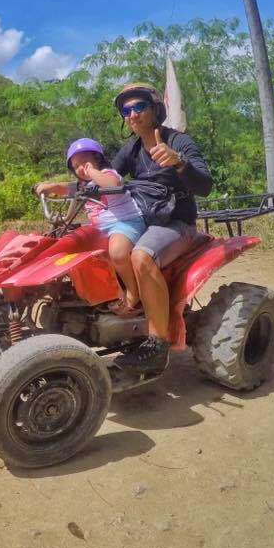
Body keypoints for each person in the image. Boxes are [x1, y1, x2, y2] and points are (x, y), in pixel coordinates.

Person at [109, 82, 212, 374]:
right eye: (126, 110)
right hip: (143, 219)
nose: (132, 114)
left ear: (155, 109)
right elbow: (108, 177)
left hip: (176, 223)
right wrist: (70, 183)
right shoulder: (130, 148)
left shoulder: (178, 142)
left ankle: (157, 344)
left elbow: (204, 185)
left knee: (142, 256)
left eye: (139, 106)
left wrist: (179, 163)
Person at [33, 138, 147, 315]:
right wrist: (49, 186)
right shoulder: (83, 185)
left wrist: (92, 172)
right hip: (101, 230)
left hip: (125, 223)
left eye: (84, 162)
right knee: (71, 246)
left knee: (117, 252)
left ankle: (133, 293)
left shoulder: (108, 174)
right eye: (76, 166)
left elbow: (113, 184)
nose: (81, 168)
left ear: (97, 159)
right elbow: (66, 188)